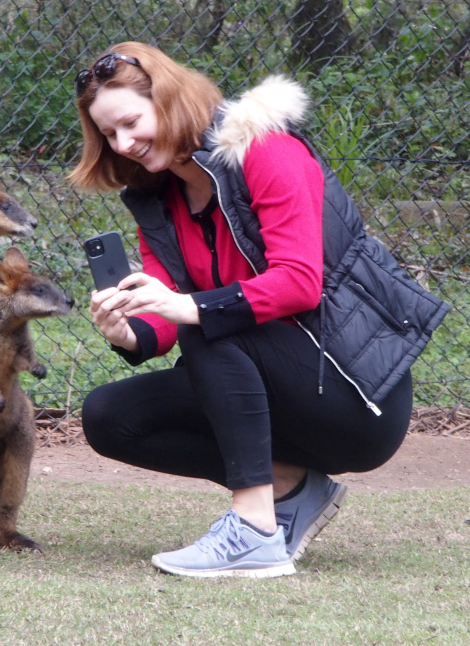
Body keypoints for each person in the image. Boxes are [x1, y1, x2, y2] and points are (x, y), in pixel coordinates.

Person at [69, 42, 450, 579]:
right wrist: (128, 332)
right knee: (110, 417)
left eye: (131, 122)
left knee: (206, 321)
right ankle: (294, 487)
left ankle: (253, 530)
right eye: (109, 134)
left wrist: (186, 308)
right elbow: (163, 316)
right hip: (270, 384)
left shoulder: (265, 148)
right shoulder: (163, 199)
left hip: (356, 393)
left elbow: (300, 283)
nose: (124, 143)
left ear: (170, 100)